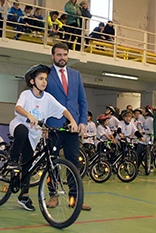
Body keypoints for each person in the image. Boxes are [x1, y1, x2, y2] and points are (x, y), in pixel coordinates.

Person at [8, 64, 77, 211]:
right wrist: (29, 115)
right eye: (40, 79)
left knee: (29, 165)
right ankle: (12, 160)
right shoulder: (26, 95)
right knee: (22, 132)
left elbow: (63, 110)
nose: (44, 82)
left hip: (34, 136)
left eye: (45, 79)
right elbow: (18, 108)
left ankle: (24, 196)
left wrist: (72, 121)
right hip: (19, 126)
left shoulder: (48, 98)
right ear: (32, 81)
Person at [45, 42, 91, 211]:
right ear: (52, 56)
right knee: (52, 163)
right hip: (53, 126)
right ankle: (53, 196)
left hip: (72, 127)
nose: (62, 57)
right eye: (58, 55)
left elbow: (82, 101)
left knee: (73, 163)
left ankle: (76, 198)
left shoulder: (76, 74)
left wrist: (83, 122)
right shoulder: (46, 74)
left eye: (64, 54)